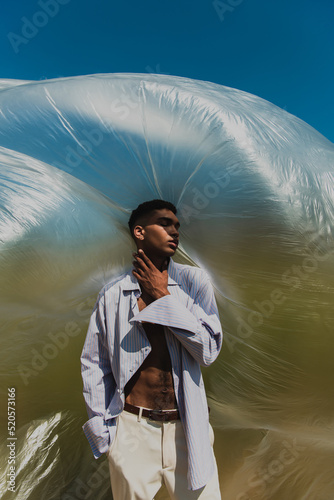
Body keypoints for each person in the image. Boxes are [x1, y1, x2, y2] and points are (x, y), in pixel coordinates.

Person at [81, 199, 223, 499]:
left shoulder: (193, 282)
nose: (174, 231)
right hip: (132, 430)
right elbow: (95, 363)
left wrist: (162, 296)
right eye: (164, 223)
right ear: (140, 232)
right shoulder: (113, 293)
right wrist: (105, 433)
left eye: (177, 225)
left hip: (188, 429)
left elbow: (208, 350)